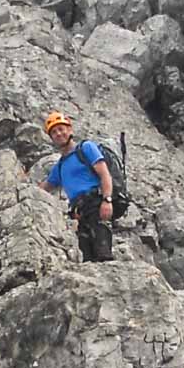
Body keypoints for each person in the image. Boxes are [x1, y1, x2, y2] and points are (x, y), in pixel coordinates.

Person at [38, 111, 114, 263]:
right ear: (51, 138)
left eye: (61, 129)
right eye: (54, 132)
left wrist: (107, 200)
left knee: (103, 253)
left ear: (70, 130)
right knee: (88, 259)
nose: (59, 134)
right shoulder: (60, 166)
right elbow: (45, 187)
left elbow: (104, 174)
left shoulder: (86, 148)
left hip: (95, 204)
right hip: (80, 213)